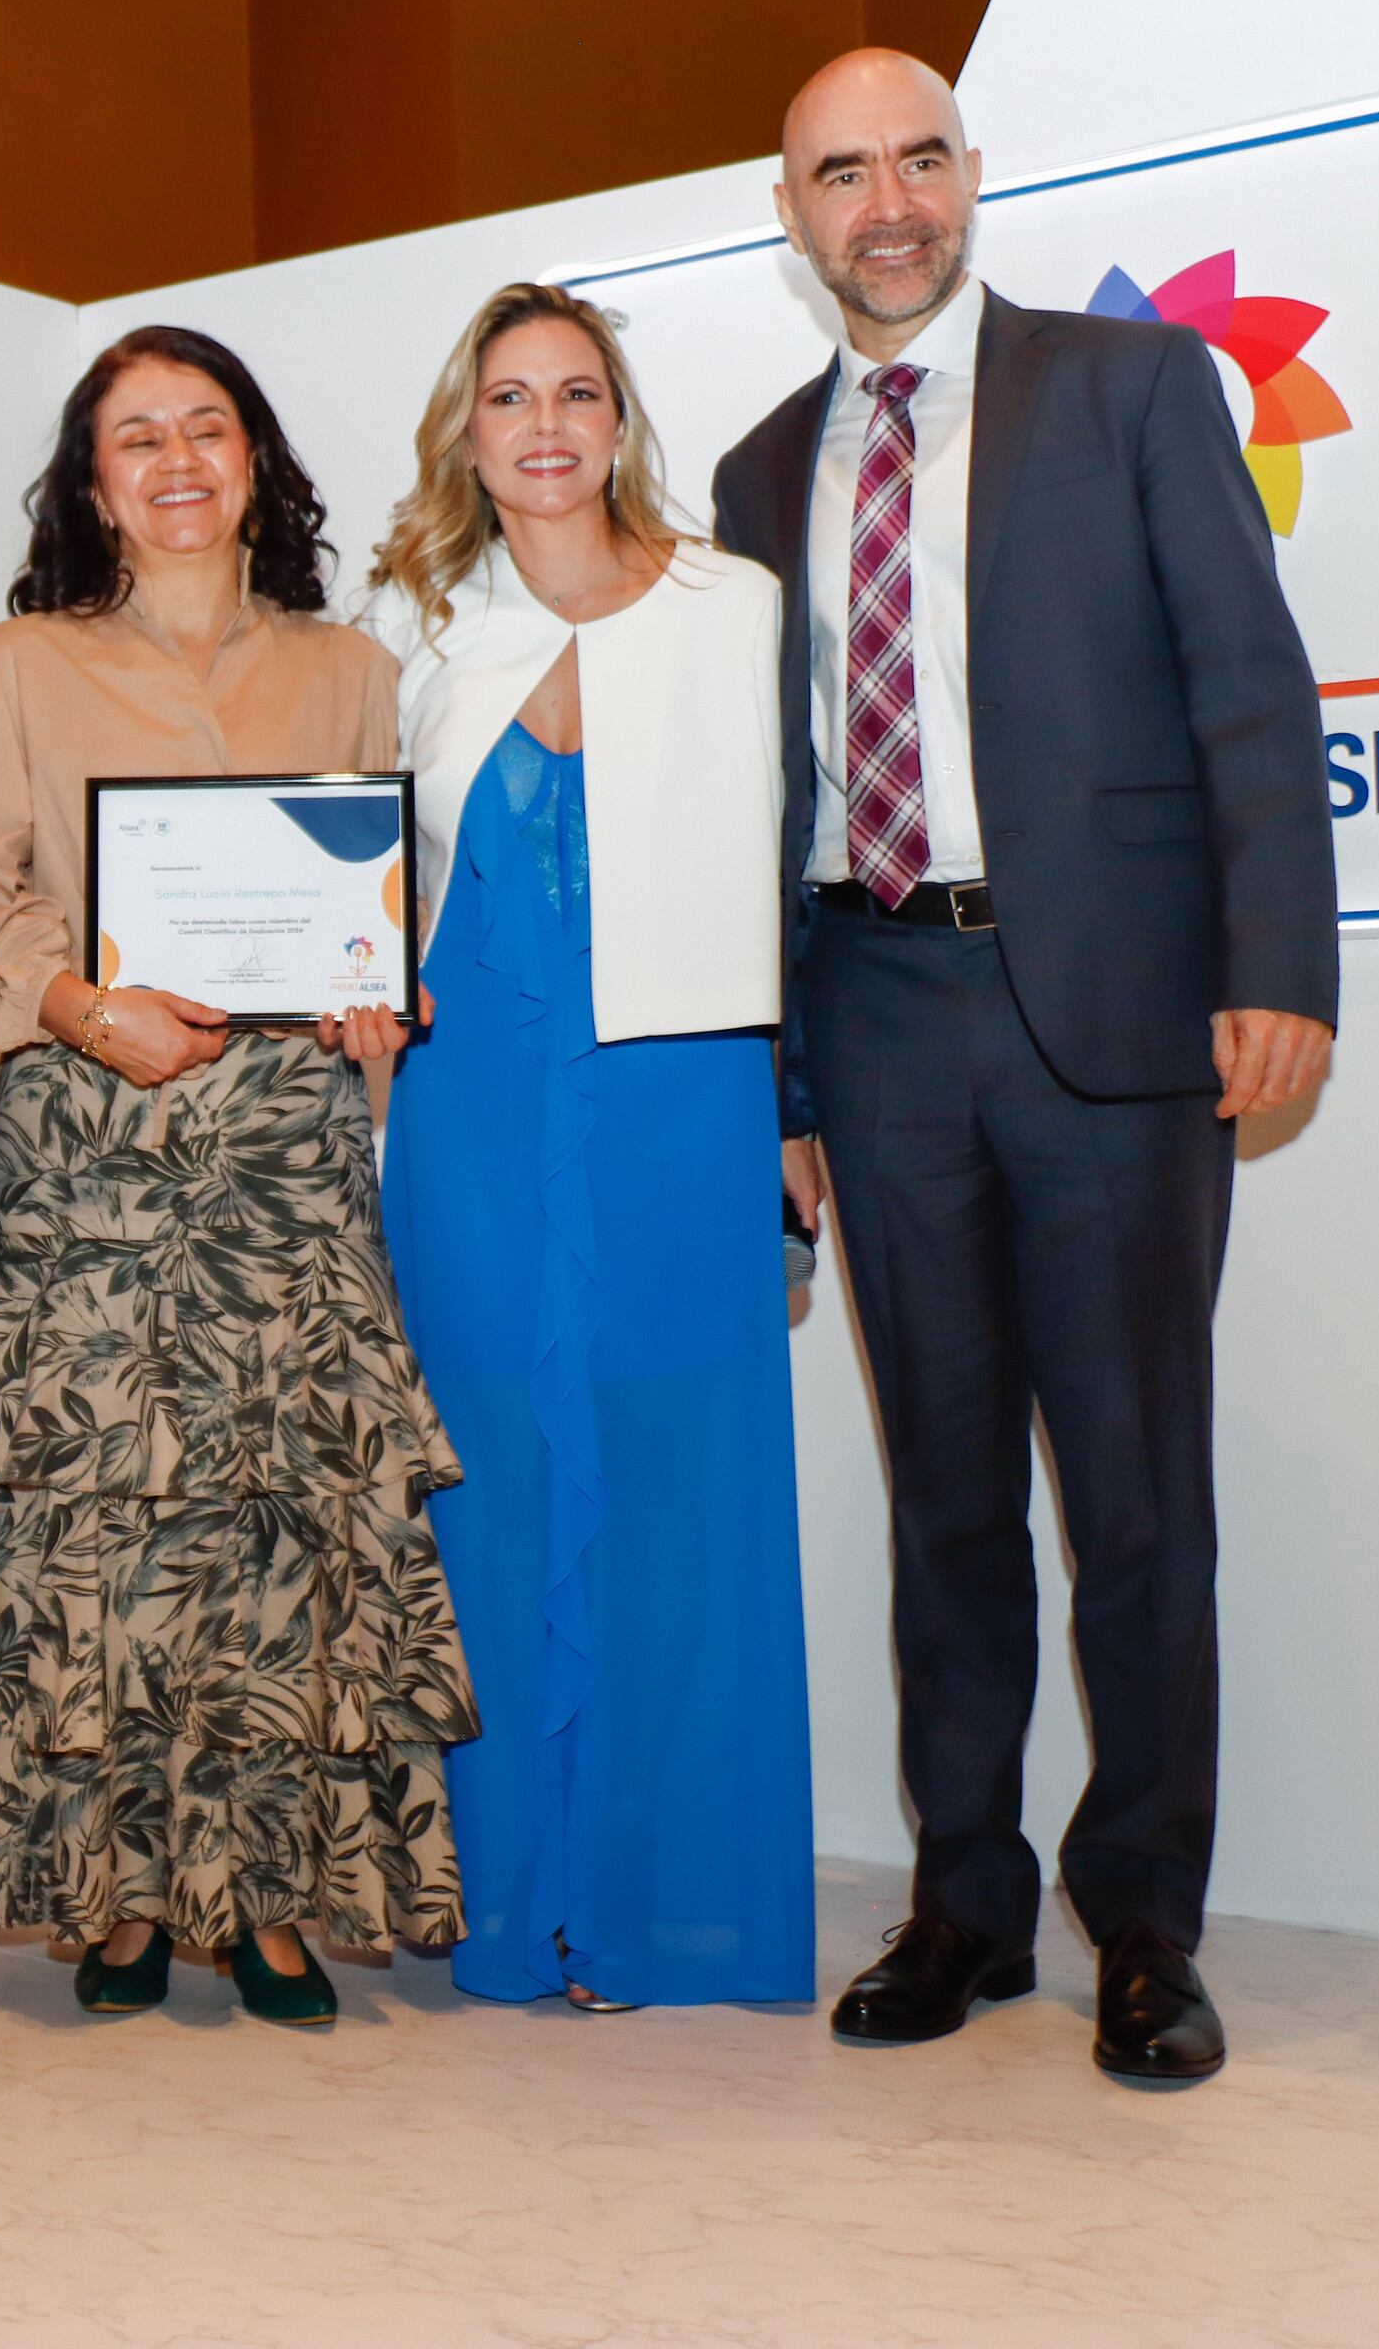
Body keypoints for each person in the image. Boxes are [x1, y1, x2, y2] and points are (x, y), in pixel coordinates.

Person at [713, 50, 1338, 2081]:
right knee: (949, 1493)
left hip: (1118, 1014)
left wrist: (1277, 962)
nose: (887, 202)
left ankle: (1144, 1922)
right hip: (874, 1009)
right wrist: (780, 1081)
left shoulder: (1131, 386)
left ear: (971, 174)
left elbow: (1250, 684)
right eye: (843, 173)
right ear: (793, 214)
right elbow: (756, 799)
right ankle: (965, 1901)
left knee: (1139, 1499)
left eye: (919, 159)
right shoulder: (754, 474)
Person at [0, 326, 475, 2028]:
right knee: (96, 1534)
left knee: (282, 1531)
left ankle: (274, 1904)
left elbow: (380, 904)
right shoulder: (14, 665)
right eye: (135, 437)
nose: (174, 462)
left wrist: (380, 996)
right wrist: (82, 1003)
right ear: (93, 485)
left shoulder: (350, 669)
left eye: (204, 428)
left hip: (288, 1159)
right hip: (93, 1153)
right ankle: (118, 1898)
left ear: (255, 463)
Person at [359, 284, 811, 2012]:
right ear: (465, 435)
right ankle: (509, 1903)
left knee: (679, 1494)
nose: (543, 427)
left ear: (618, 422)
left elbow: (798, 868)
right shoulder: (411, 625)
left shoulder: (732, 603)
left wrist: (799, 1106)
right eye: (508, 398)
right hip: (473, 1111)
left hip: (681, 1104)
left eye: (575, 394)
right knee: (490, 1479)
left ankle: (651, 1908)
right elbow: (352, 875)